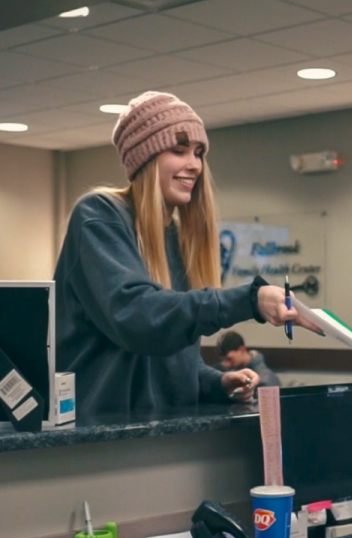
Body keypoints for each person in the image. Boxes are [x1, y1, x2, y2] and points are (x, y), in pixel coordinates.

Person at [54, 91, 318, 417]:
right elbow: (139, 319)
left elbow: (170, 358)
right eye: (178, 151)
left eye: (198, 153)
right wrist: (251, 299)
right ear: (144, 160)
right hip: (99, 439)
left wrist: (214, 382)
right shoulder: (99, 216)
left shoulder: (177, 238)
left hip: (166, 437)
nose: (193, 165)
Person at [215, 330, 282, 388]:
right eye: (223, 360)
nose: (226, 364)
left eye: (229, 359)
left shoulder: (266, 379)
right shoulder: (220, 371)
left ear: (242, 349)